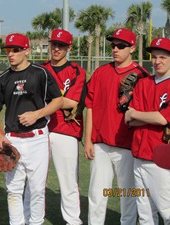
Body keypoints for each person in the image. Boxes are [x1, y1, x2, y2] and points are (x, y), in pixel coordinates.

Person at [0, 33, 63, 225]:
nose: (11, 54)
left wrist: (37, 114)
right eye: (8, 50)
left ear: (27, 50)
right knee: (14, 190)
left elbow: (58, 100)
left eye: (16, 50)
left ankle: (35, 222)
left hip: (37, 139)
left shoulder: (40, 73)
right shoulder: (2, 79)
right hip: (13, 140)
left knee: (37, 189)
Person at [84, 28, 149, 225]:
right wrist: (87, 139)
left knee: (127, 195)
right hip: (101, 144)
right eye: (113, 45)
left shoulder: (142, 76)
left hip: (128, 147)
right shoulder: (100, 72)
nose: (115, 49)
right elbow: (90, 107)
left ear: (132, 48)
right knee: (96, 193)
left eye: (121, 46)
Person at [40, 28, 85, 225]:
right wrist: (59, 100)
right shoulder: (40, 69)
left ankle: (73, 221)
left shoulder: (77, 71)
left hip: (66, 130)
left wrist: (50, 101)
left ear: (69, 47)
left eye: (61, 45)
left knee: (68, 181)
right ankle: (34, 219)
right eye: (54, 44)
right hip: (40, 130)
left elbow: (73, 102)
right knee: (36, 181)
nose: (56, 48)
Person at [125, 37, 170, 224]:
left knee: (166, 211)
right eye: (154, 57)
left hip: (160, 157)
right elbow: (128, 119)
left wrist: (138, 114)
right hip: (138, 155)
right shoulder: (143, 83)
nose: (157, 61)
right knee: (144, 213)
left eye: (163, 57)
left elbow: (163, 118)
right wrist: (144, 116)